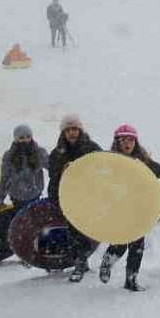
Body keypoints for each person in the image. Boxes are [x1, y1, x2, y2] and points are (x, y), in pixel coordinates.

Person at [97, 124, 160, 292]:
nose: (127, 143)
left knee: (137, 246)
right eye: (123, 140)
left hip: (138, 210)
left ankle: (131, 280)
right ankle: (107, 262)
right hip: (119, 210)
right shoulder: (110, 162)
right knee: (120, 243)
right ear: (117, 142)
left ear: (135, 142)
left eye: (130, 140)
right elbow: (94, 176)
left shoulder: (143, 162)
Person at [46, 113, 102, 281]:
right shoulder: (57, 153)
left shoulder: (92, 148)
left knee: (85, 231)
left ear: (80, 130)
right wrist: (54, 197)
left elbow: (102, 170)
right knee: (73, 232)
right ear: (63, 132)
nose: (72, 133)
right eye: (68, 130)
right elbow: (53, 178)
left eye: (74, 129)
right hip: (68, 198)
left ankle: (81, 261)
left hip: (88, 196)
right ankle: (79, 262)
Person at [0, 124, 48, 210]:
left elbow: (52, 167)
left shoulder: (39, 152)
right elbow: (5, 178)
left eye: (28, 137)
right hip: (17, 197)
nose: (25, 140)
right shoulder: (9, 156)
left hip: (35, 194)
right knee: (22, 217)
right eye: (21, 138)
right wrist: (0, 198)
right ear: (16, 139)